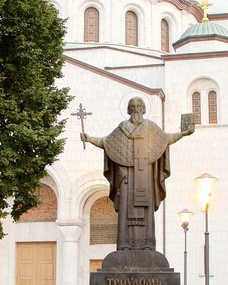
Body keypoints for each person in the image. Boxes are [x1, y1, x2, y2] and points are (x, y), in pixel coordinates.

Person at [81, 97, 194, 250]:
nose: (136, 109)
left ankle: (147, 245)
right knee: (125, 207)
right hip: (125, 177)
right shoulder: (122, 128)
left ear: (143, 109)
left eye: (139, 106)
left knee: (145, 208)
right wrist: (90, 139)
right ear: (128, 109)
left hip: (145, 176)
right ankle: (124, 245)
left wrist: (183, 133)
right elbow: (107, 143)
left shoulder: (151, 128)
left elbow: (166, 139)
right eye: (133, 106)